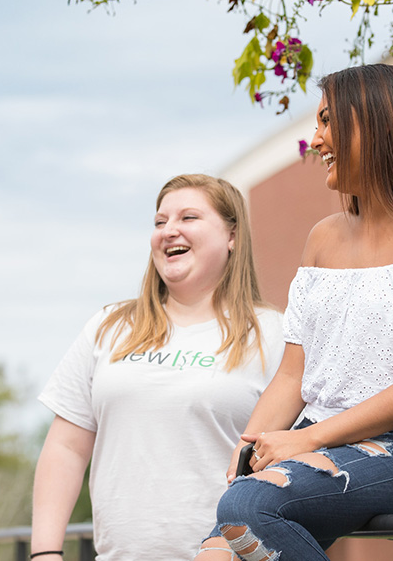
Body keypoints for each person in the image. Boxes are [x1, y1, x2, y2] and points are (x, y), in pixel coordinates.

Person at [196, 64, 393, 561]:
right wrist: (250, 449)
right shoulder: (322, 238)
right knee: (217, 552)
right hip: (319, 440)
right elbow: (292, 375)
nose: (317, 138)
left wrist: (303, 441)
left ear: (373, 125)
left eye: (328, 120)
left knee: (247, 508)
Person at [30, 174, 285, 560]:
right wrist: (45, 553)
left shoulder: (274, 334)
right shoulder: (109, 327)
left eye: (188, 218)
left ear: (232, 235)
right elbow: (66, 447)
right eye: (159, 221)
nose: (168, 231)